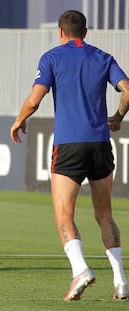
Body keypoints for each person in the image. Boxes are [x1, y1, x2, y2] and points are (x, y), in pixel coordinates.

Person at [10, 10, 129, 301]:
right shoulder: (103, 57)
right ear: (85, 32)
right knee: (105, 214)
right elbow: (128, 90)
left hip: (69, 146)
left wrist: (19, 119)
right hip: (100, 144)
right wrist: (117, 116)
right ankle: (121, 282)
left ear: (61, 32)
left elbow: (35, 99)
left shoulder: (51, 58)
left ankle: (81, 270)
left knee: (64, 214)